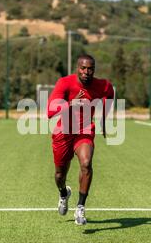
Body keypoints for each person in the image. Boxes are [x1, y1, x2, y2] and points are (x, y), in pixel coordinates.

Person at [47, 54, 114, 225]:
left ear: (94, 70)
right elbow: (49, 111)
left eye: (90, 68)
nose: (86, 72)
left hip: (84, 130)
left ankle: (80, 207)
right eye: (83, 68)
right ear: (78, 68)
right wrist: (70, 104)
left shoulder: (102, 85)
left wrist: (103, 121)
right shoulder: (65, 83)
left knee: (86, 163)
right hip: (63, 132)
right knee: (60, 174)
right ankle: (63, 193)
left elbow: (109, 93)